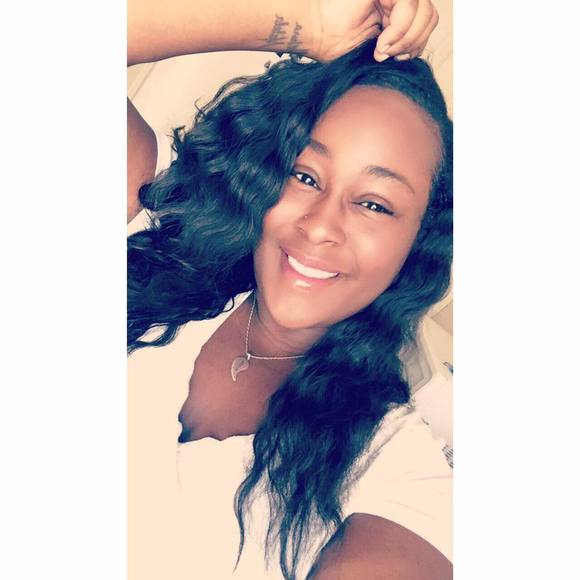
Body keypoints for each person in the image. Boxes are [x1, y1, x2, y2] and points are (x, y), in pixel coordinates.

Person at [127, 1, 452, 578]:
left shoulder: (396, 475)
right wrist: (308, 26)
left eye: (374, 204)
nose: (321, 225)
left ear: (418, 239)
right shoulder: (148, 238)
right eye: (305, 176)